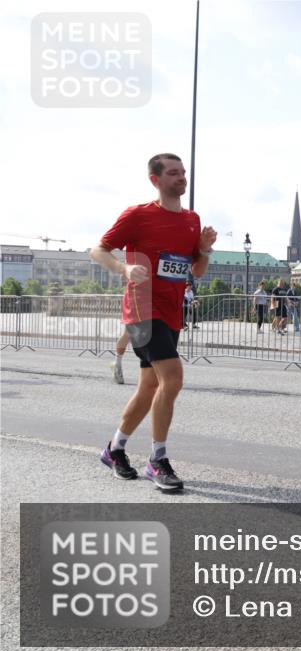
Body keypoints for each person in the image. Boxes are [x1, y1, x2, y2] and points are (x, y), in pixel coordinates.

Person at [90, 152, 217, 491]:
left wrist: (204, 249)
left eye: (183, 172)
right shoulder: (138, 215)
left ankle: (114, 449)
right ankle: (157, 460)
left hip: (172, 312)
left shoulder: (192, 220)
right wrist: (123, 268)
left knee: (149, 387)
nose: (181, 177)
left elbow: (196, 271)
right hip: (142, 309)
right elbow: (98, 250)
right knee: (172, 378)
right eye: (173, 173)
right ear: (155, 180)